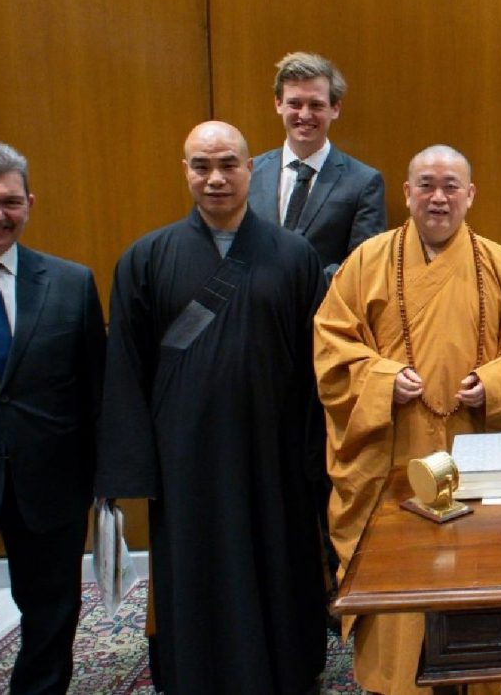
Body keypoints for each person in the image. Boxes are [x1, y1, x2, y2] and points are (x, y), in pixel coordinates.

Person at [313, 145, 501, 695]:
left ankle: (482, 678)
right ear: (407, 194)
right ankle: (397, 682)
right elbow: (331, 344)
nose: (438, 197)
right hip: (392, 454)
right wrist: (380, 379)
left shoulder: (497, 263)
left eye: (451, 186)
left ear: (470, 195)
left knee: (480, 575)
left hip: (478, 450)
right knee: (397, 581)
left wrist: (494, 383)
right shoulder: (367, 262)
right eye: (426, 184)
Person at [96, 121, 328, 694]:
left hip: (273, 449)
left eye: (228, 165)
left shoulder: (295, 256)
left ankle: (286, 669)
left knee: (278, 557)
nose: (216, 178)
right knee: (195, 564)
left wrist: (316, 454)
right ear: (186, 172)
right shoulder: (146, 258)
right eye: (202, 166)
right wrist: (134, 468)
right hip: (185, 453)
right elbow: (125, 368)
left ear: (251, 169)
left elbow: (317, 365)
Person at [0, 140, 105, 693]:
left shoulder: (70, 283)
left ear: (29, 204)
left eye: (10, 201)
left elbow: (94, 390)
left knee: (51, 621)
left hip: (49, 489)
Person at [249, 51, 386, 279]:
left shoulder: (364, 182)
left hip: (324, 300)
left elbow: (364, 263)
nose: (304, 115)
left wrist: (300, 288)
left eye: (316, 105)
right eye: (294, 103)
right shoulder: (251, 172)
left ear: (335, 108)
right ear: (278, 104)